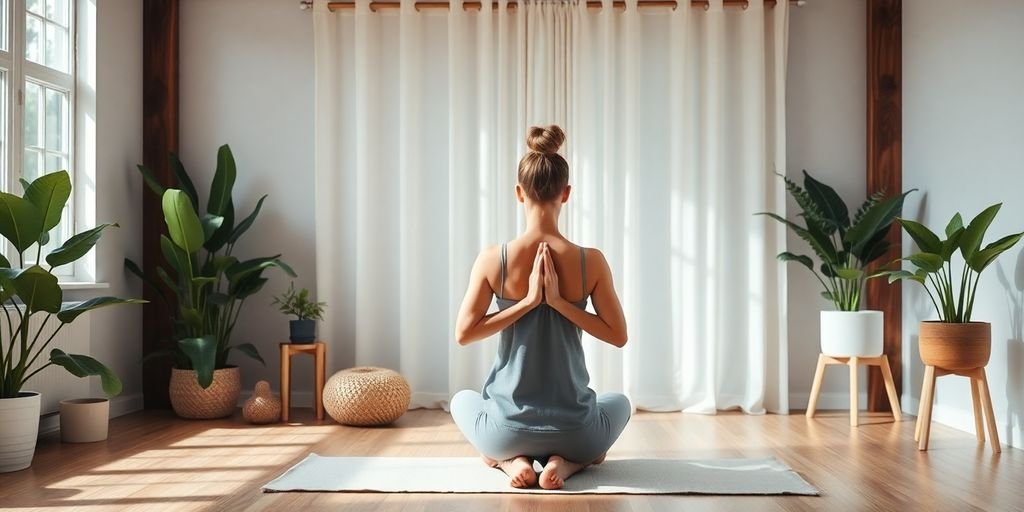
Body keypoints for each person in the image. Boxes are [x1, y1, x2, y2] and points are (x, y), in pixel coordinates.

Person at [451, 125, 630, 490]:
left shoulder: (493, 259)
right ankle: (567, 465)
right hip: (576, 432)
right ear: (566, 194)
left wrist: (530, 302)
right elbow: (618, 336)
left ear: (519, 193)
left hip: (507, 432)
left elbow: (464, 335)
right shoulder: (590, 261)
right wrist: (556, 303)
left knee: (461, 400)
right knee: (620, 403)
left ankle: (508, 462)